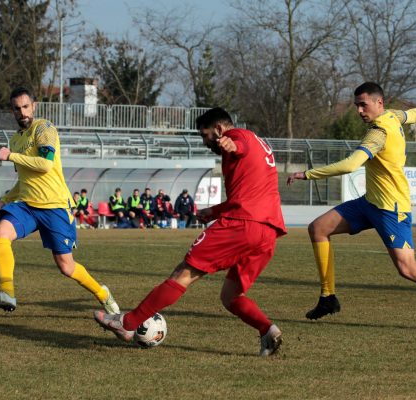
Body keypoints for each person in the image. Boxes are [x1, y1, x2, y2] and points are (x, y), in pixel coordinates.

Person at [286, 82, 416, 334]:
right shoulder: (392, 115)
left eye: (363, 104)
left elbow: (350, 165)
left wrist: (307, 174)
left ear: (379, 103)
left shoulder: (377, 133)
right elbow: (413, 114)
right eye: (356, 104)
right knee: (318, 228)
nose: (358, 110)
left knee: (407, 268)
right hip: (370, 203)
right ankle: (328, 298)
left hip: (391, 208)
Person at [94, 107, 288, 356]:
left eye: (205, 135)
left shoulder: (239, 138)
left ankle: (128, 324)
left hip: (243, 225)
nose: (205, 142)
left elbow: (239, 145)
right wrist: (214, 211)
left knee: (182, 274)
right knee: (231, 296)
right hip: (268, 231)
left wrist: (230, 144)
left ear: (218, 129)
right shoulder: (261, 144)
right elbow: (251, 193)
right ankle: (267, 331)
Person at [0, 87, 119, 314]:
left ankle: (103, 294)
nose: (22, 112)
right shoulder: (16, 140)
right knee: (0, 234)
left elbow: (45, 165)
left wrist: (10, 156)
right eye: (17, 108)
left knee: (66, 266)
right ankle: (8, 293)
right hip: (28, 206)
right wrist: (6, 198)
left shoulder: (44, 128)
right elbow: (25, 179)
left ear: (34, 106)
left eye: (25, 106)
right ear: (12, 111)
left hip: (54, 206)